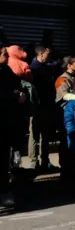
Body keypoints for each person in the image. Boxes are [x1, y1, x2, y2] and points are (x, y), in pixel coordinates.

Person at [0, 45, 26, 207]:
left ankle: (3, 192)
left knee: (4, 160)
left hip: (6, 122)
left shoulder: (6, 71)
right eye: (4, 54)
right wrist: (14, 94)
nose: (7, 57)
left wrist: (19, 93)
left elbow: (18, 84)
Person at [29, 45, 58, 172]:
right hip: (37, 107)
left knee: (45, 135)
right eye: (48, 53)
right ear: (41, 54)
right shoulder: (33, 69)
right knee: (34, 135)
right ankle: (33, 163)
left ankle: (45, 162)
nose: (49, 55)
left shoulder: (45, 67)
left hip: (46, 105)